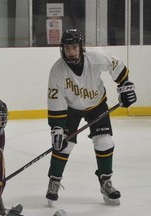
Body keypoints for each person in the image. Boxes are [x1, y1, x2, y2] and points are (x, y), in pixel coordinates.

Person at [46, 29, 137, 206]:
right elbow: (55, 102)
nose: (71, 52)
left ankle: (106, 183)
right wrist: (57, 128)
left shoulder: (95, 58)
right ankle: (54, 180)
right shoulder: (57, 71)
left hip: (96, 105)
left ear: (80, 47)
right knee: (63, 144)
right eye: (67, 48)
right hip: (71, 109)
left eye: (74, 47)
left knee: (105, 141)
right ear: (62, 49)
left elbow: (117, 66)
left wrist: (125, 85)